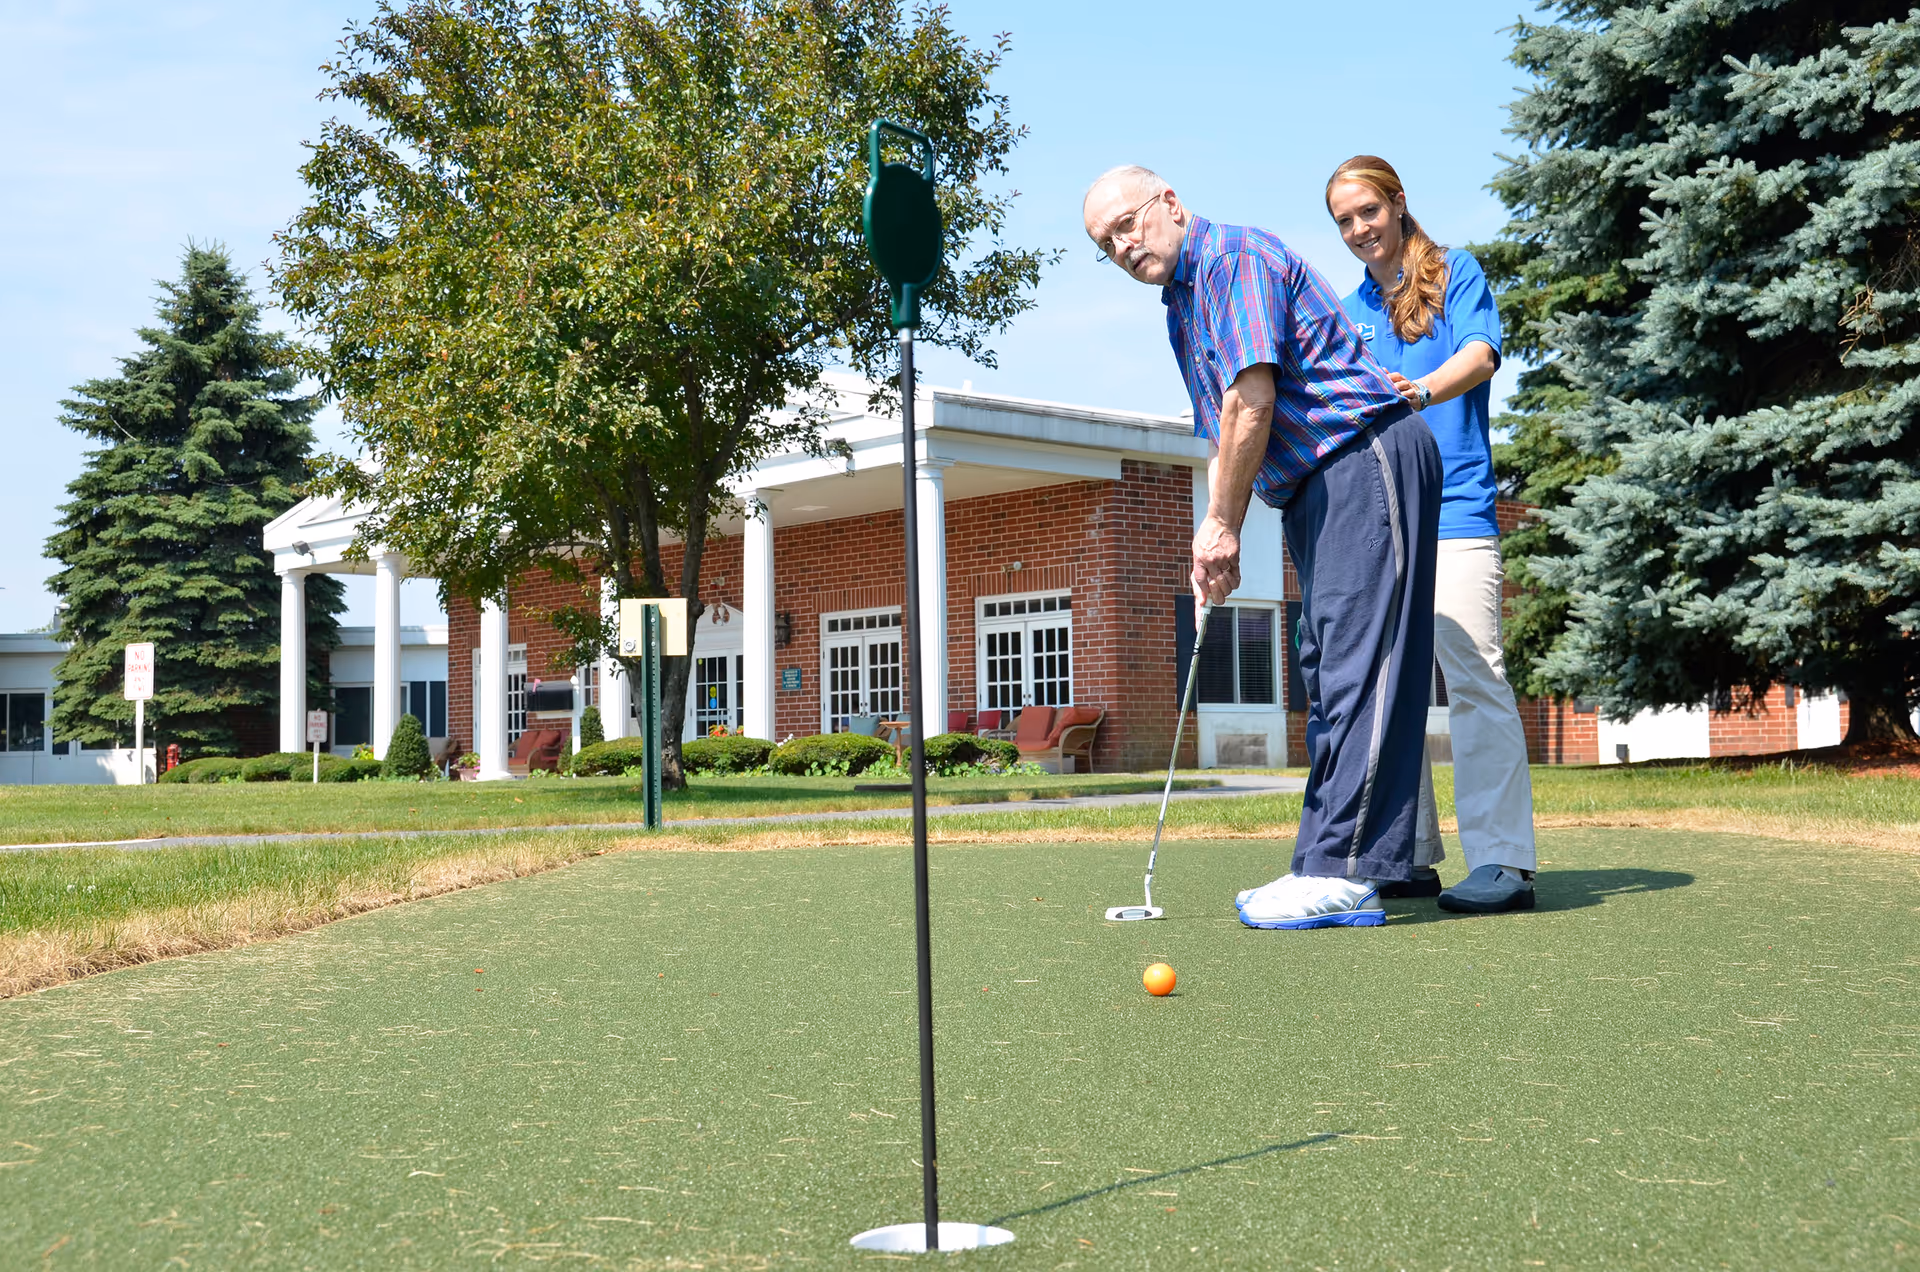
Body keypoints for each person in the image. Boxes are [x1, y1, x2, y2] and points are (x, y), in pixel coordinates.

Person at [1082, 165, 1440, 930]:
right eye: (1105, 243)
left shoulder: (1234, 259)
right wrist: (1219, 528)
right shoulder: (1181, 304)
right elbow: (1223, 429)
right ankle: (1325, 860)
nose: (1122, 245)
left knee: (1361, 669)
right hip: (1314, 486)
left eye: (1128, 224)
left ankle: (1344, 872)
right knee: (1325, 670)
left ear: (1170, 203)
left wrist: (1221, 522)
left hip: (1363, 455)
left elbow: (1252, 398)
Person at [1325, 155, 1538, 913]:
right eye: (1343, 221)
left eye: (1367, 212)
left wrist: (1417, 390)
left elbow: (1480, 357)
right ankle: (1405, 856)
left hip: (1455, 513)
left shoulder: (1458, 275)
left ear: (1398, 203)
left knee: (1475, 676)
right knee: (1391, 690)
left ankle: (1504, 863)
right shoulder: (1347, 311)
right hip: (1383, 523)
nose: (1357, 230)